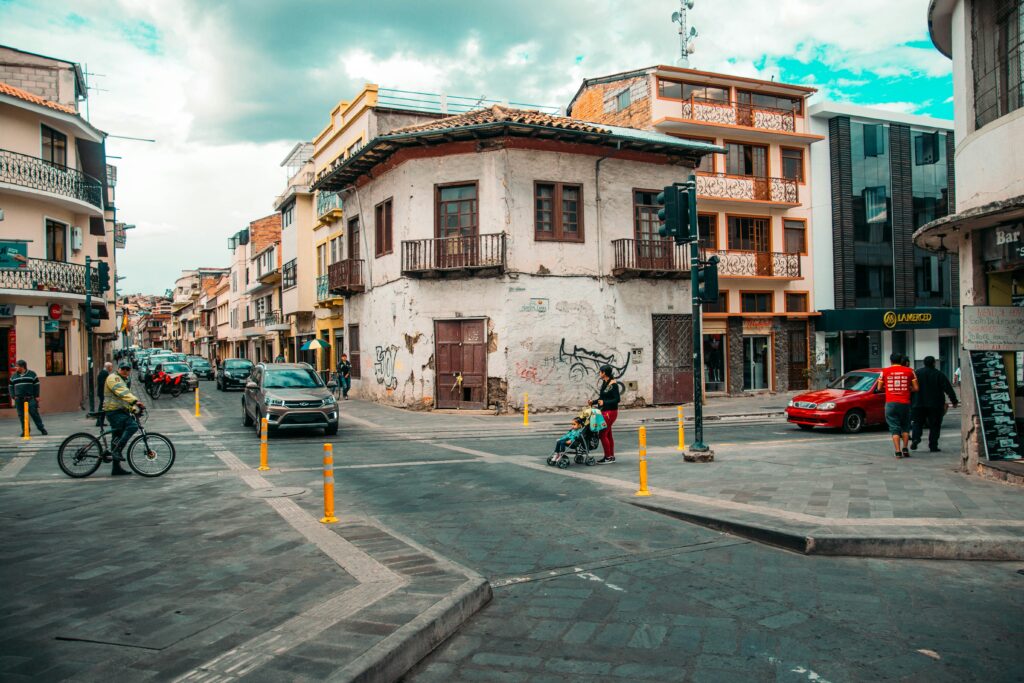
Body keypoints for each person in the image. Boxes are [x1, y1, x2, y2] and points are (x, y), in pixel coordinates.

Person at [103, 361, 144, 476]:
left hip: (119, 411)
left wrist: (134, 409)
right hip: (113, 412)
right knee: (132, 426)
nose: (125, 371)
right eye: (123, 369)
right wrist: (136, 401)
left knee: (116, 439)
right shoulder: (114, 378)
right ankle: (116, 451)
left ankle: (116, 468)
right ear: (119, 369)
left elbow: (124, 400)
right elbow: (122, 393)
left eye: (128, 369)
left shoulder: (123, 379)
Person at [876, 352, 919, 458]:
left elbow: (879, 388)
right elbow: (916, 388)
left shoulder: (885, 371)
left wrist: (889, 389)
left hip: (890, 403)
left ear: (891, 361)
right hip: (905, 403)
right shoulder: (910, 371)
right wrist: (908, 389)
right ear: (901, 361)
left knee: (894, 428)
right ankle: (905, 448)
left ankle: (897, 451)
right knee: (905, 426)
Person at [911, 356, 959, 452]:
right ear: (934, 363)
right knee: (935, 425)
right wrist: (954, 401)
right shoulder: (939, 374)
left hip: (918, 403)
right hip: (935, 404)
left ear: (924, 363)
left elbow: (911, 388)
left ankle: (916, 438)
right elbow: (948, 389)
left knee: (917, 423)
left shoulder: (917, 374)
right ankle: (933, 445)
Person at [591, 365, 620, 463]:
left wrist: (604, 403)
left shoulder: (613, 384)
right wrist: (593, 402)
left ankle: (607, 457)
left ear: (604, 373)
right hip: (605, 411)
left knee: (603, 434)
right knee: (608, 434)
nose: (599, 373)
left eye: (600, 372)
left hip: (610, 412)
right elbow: (602, 398)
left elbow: (617, 399)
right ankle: (611, 456)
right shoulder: (605, 382)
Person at [10, 360, 46, 435]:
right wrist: (13, 396)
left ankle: (41, 428)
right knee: (22, 416)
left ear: (22, 367)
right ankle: (26, 431)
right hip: (19, 399)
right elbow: (10, 386)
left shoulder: (32, 374)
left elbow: (36, 385)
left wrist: (37, 396)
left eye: (17, 366)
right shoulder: (13, 376)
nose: (15, 368)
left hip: (30, 398)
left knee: (34, 413)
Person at [96, 361, 114, 427]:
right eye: (111, 367)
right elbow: (104, 384)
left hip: (101, 393)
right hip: (103, 393)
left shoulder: (103, 372)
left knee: (103, 407)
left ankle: (100, 421)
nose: (112, 368)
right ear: (108, 367)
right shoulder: (104, 373)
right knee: (102, 408)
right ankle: (99, 422)